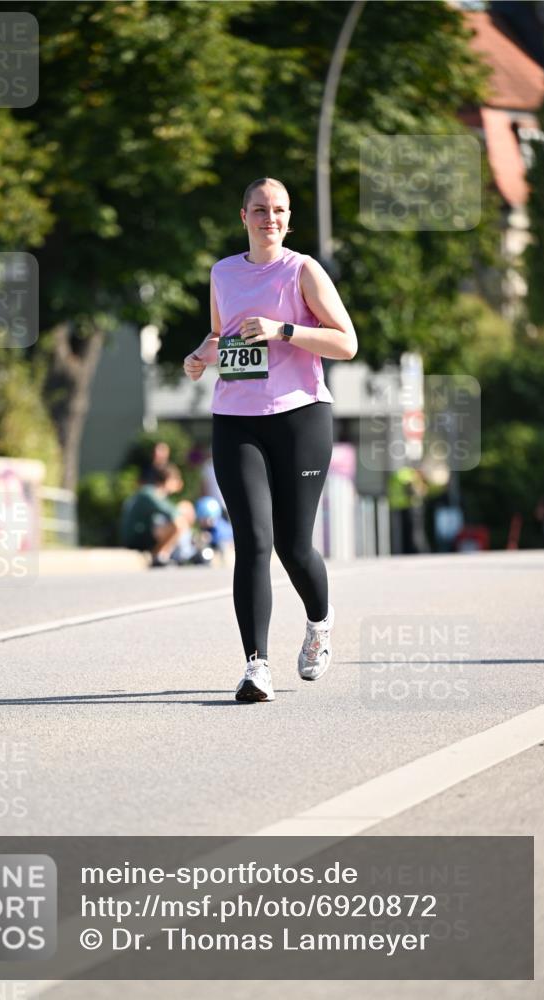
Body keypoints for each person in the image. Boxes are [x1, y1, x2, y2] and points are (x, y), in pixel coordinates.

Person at [182, 176, 358, 702]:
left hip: (300, 418)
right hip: (236, 418)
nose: (269, 218)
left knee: (293, 544)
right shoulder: (223, 273)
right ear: (244, 217)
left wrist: (283, 330)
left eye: (278, 210)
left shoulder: (302, 270)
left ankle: (319, 623)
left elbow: (345, 342)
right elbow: (224, 336)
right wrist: (200, 355)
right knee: (253, 542)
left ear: (288, 218)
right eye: (259, 209)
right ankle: (256, 666)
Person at [119, 463, 198, 567]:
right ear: (168, 480)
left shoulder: (156, 494)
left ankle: (181, 552)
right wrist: (184, 509)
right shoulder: (149, 493)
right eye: (176, 480)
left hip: (145, 534)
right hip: (136, 537)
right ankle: (159, 555)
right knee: (179, 524)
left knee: (176, 522)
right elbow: (172, 513)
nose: (179, 484)